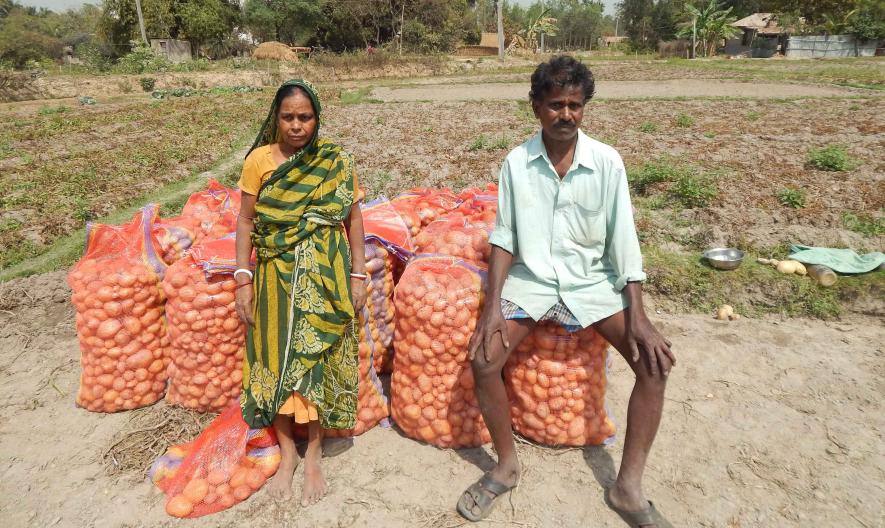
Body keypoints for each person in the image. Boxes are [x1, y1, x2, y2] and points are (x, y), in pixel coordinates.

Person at [457, 56, 675, 528]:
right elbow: (505, 239)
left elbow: (624, 241)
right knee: (483, 360)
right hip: (533, 282)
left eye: (575, 105)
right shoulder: (518, 162)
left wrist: (638, 313)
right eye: (556, 105)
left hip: (591, 283)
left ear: (584, 107)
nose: (566, 115)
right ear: (536, 106)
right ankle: (506, 466)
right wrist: (491, 310)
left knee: (654, 368)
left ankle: (627, 488)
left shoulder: (607, 162)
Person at [234, 79, 367, 506]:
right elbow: (245, 221)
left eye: (304, 117)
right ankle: (287, 450)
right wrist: (243, 277)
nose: (296, 126)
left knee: (316, 360)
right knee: (276, 356)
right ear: (276, 117)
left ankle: (313, 454)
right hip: (275, 273)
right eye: (288, 117)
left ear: (317, 119)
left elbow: (354, 219)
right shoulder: (257, 161)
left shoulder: (334, 162)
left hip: (324, 275)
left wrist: (358, 275)